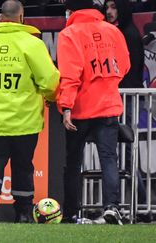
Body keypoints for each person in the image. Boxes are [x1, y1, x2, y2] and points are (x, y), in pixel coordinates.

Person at [0, 0, 60, 223]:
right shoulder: (32, 45)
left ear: (0, 17)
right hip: (25, 120)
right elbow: (50, 79)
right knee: (23, 165)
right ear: (22, 16)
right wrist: (50, 98)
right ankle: (24, 212)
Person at [57, 0, 130, 225]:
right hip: (108, 105)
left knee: (73, 162)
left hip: (80, 108)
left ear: (72, 10)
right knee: (109, 158)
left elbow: (70, 74)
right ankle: (112, 208)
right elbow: (124, 65)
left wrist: (66, 107)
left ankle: (71, 212)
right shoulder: (113, 30)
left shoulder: (69, 33)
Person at [104, 0, 148, 212]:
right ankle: (137, 203)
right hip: (120, 97)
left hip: (126, 98)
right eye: (107, 7)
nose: (109, 11)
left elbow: (128, 71)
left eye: (113, 7)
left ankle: (139, 203)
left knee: (128, 152)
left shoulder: (127, 34)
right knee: (120, 152)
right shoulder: (117, 32)